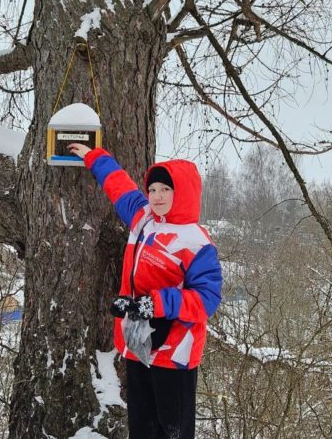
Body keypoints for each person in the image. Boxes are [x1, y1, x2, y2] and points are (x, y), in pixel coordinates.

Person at [67, 143, 223, 439]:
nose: (157, 196)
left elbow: (207, 300)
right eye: (152, 189)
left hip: (174, 353)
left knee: (172, 431)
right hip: (139, 345)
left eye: (165, 189)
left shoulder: (196, 242)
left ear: (182, 192)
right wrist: (94, 156)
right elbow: (118, 184)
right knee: (141, 428)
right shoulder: (144, 219)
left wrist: (157, 304)